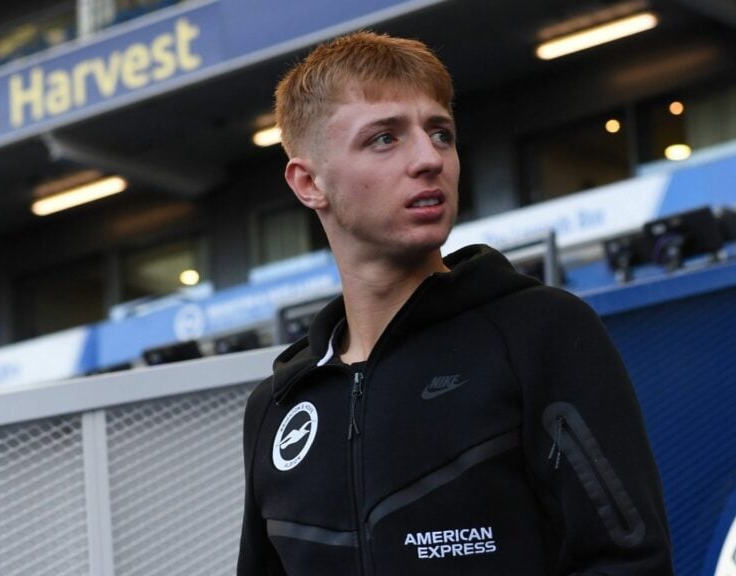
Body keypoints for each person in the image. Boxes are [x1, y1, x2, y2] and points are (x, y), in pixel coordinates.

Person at [237, 31, 673, 575]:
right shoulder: (277, 407)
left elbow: (628, 561)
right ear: (309, 183)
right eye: (384, 138)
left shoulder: (541, 331)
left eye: (440, 133)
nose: (429, 158)